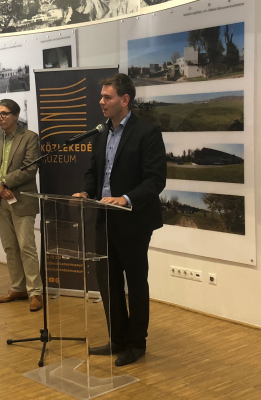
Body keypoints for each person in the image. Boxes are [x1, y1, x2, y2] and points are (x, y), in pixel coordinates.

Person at [73, 73, 166, 366]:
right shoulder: (101, 132)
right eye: (101, 96)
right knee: (108, 283)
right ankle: (117, 338)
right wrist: (86, 192)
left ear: (125, 100)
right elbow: (93, 172)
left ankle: (136, 344)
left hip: (133, 220)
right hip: (104, 218)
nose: (101, 102)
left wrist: (125, 198)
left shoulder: (147, 132)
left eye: (107, 97)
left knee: (135, 284)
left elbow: (155, 180)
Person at [0, 99, 43, 312]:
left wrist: (4, 183)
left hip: (22, 199)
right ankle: (18, 288)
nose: (0, 117)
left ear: (16, 115)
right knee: (10, 247)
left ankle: (35, 292)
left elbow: (29, 169)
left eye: (5, 113)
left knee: (26, 247)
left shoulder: (30, 137)